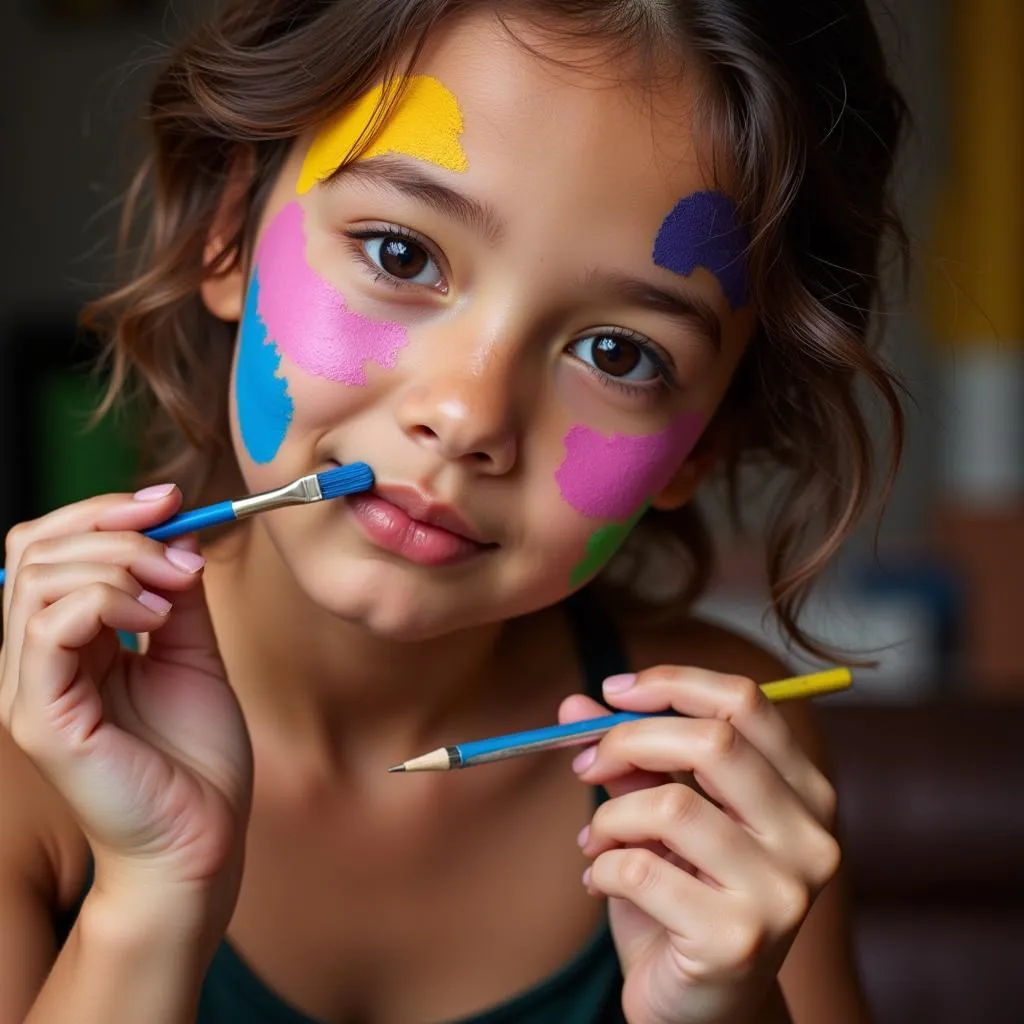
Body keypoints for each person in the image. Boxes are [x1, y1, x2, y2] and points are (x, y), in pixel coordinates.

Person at [0, 1, 907, 1021]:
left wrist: (723, 1009)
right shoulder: (21, 757)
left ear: (702, 442)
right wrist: (149, 902)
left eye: (618, 353)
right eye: (399, 253)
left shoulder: (703, 763)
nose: (468, 415)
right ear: (226, 232)